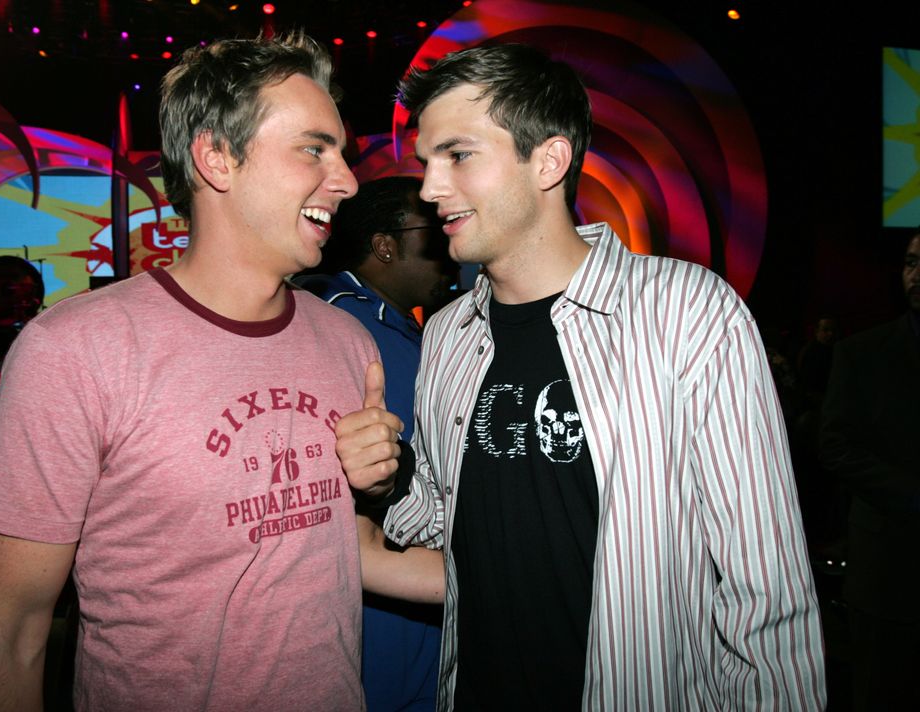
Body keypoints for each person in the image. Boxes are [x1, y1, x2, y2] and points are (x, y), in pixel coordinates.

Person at [335, 43, 826, 710]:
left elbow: (764, 588)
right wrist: (389, 480)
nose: (430, 187)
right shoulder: (450, 334)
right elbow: (450, 527)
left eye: (459, 155)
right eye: (427, 162)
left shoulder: (687, 313)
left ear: (550, 160)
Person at [0, 32, 379, 710]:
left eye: (344, 155)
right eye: (313, 149)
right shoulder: (75, 351)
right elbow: (7, 634)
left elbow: (341, 550)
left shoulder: (348, 341)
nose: (349, 180)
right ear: (216, 158)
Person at [297, 175, 457, 711]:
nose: (448, 251)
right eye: (430, 234)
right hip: (378, 600)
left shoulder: (408, 326)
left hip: (418, 587)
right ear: (385, 246)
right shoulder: (341, 323)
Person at [820, 230, 920, 711]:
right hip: (888, 573)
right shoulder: (862, 353)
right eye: (911, 262)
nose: (916, 275)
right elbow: (835, 447)